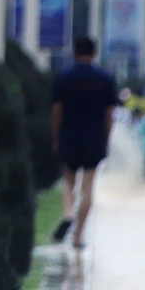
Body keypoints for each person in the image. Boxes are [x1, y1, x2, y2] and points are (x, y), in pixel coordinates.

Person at [50, 35, 121, 250]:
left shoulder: (64, 77)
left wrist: (56, 138)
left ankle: (69, 212)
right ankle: (78, 237)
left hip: (69, 136)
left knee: (69, 181)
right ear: (94, 53)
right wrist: (106, 140)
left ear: (74, 52)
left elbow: (57, 111)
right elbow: (110, 114)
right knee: (88, 188)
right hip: (94, 138)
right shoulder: (105, 79)